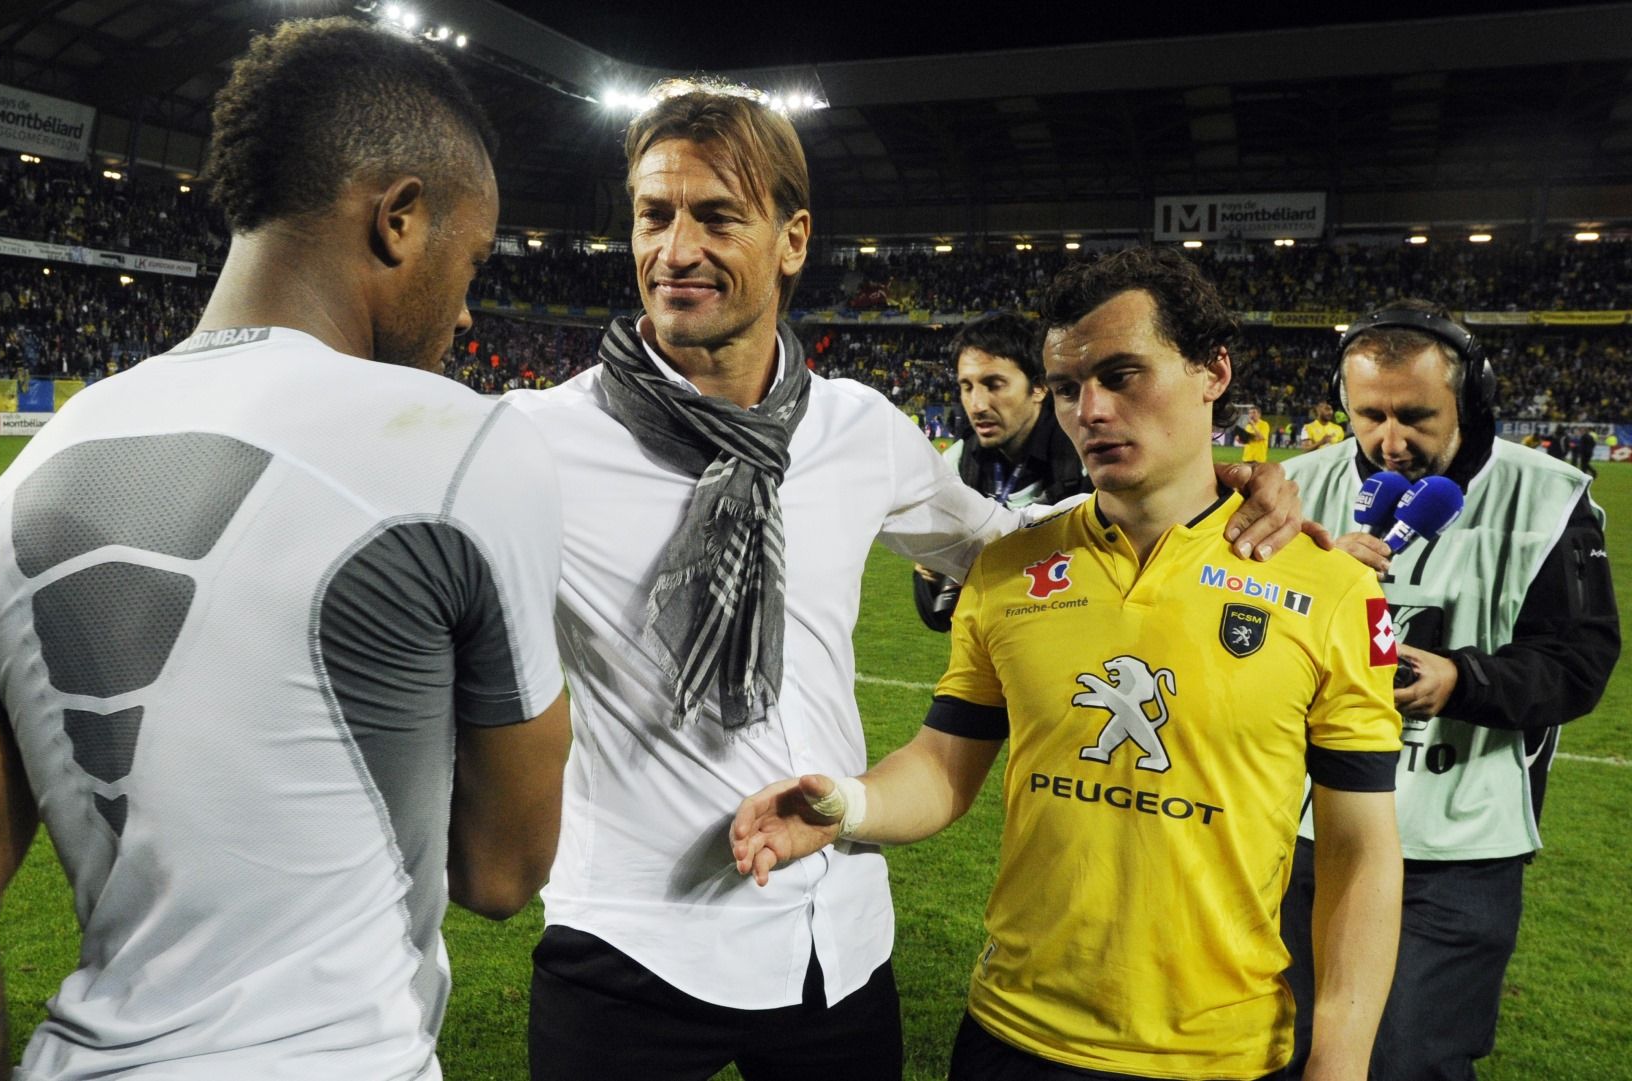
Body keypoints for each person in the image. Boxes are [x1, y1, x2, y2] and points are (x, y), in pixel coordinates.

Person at [506, 86, 1310, 1081]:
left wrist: (1203, 496)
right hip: (631, 935)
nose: (675, 250)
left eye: (716, 216)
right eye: (653, 215)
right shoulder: (536, 443)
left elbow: (1008, 549)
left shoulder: (856, 428)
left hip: (830, 939)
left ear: (792, 238)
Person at [0, 19, 570, 1081]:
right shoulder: (462, 444)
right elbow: (502, 870)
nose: (468, 309)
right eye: (469, 261)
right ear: (401, 218)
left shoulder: (27, 478)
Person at [732, 247, 1404, 1081]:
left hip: (1222, 1054)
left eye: (1124, 374)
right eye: (1065, 386)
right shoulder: (1012, 567)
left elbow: (1360, 848)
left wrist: (1340, 1061)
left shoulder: (1331, 588)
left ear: (1212, 370)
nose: (1090, 409)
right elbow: (945, 765)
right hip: (1014, 1036)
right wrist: (850, 807)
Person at [1279, 299, 1619, 1081]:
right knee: (1288, 1048)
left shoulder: (1548, 495)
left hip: (1461, 843)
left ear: (1472, 402)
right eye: (1369, 415)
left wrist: (1464, 679)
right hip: (1304, 825)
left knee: (1408, 1058)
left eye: (1415, 415)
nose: (1390, 440)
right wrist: (1307, 581)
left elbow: (1580, 660)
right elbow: (1235, 638)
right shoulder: (1294, 490)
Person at [913, 311, 1086, 631]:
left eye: (994, 384)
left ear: (1038, 388)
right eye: (967, 387)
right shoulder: (957, 465)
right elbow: (938, 617)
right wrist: (935, 566)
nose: (977, 404)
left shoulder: (1083, 456)